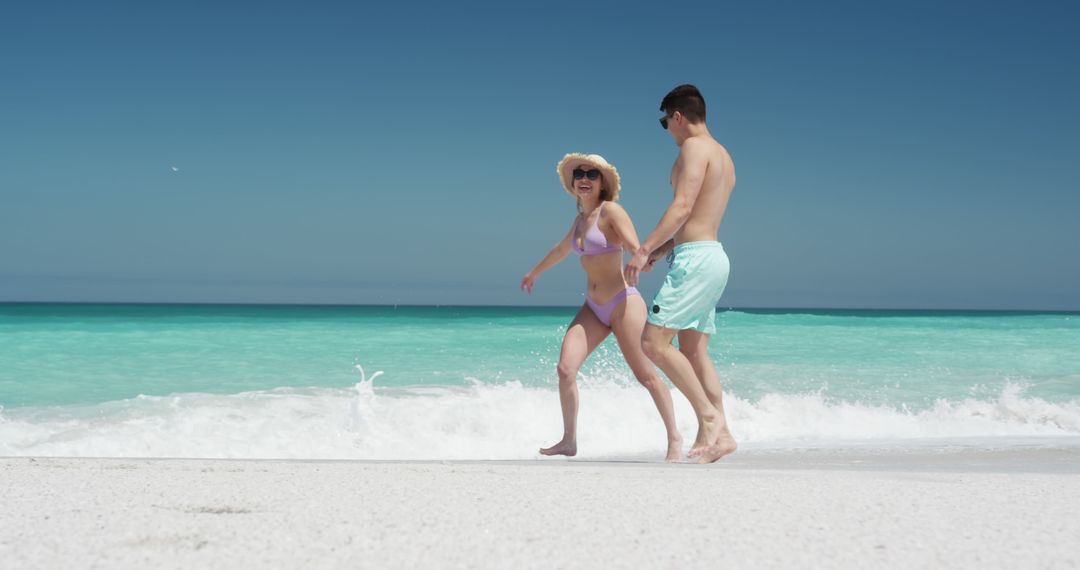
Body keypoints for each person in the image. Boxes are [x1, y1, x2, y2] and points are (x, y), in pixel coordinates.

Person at [522, 153, 682, 462]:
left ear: (602, 183)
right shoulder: (580, 221)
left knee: (646, 375)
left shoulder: (611, 211)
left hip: (624, 303)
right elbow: (560, 250)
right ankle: (569, 440)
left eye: (591, 174)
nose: (584, 177)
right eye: (579, 173)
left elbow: (636, 247)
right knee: (565, 369)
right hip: (593, 307)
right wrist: (535, 272)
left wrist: (641, 258)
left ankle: (675, 438)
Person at [624, 84, 738, 464]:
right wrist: (660, 250)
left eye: (664, 122)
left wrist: (641, 251)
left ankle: (708, 417)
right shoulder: (724, 156)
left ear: (678, 116)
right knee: (693, 350)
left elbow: (684, 205)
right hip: (712, 255)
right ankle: (723, 435)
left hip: (695, 260)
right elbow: (700, 217)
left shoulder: (694, 148)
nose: (667, 131)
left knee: (652, 342)